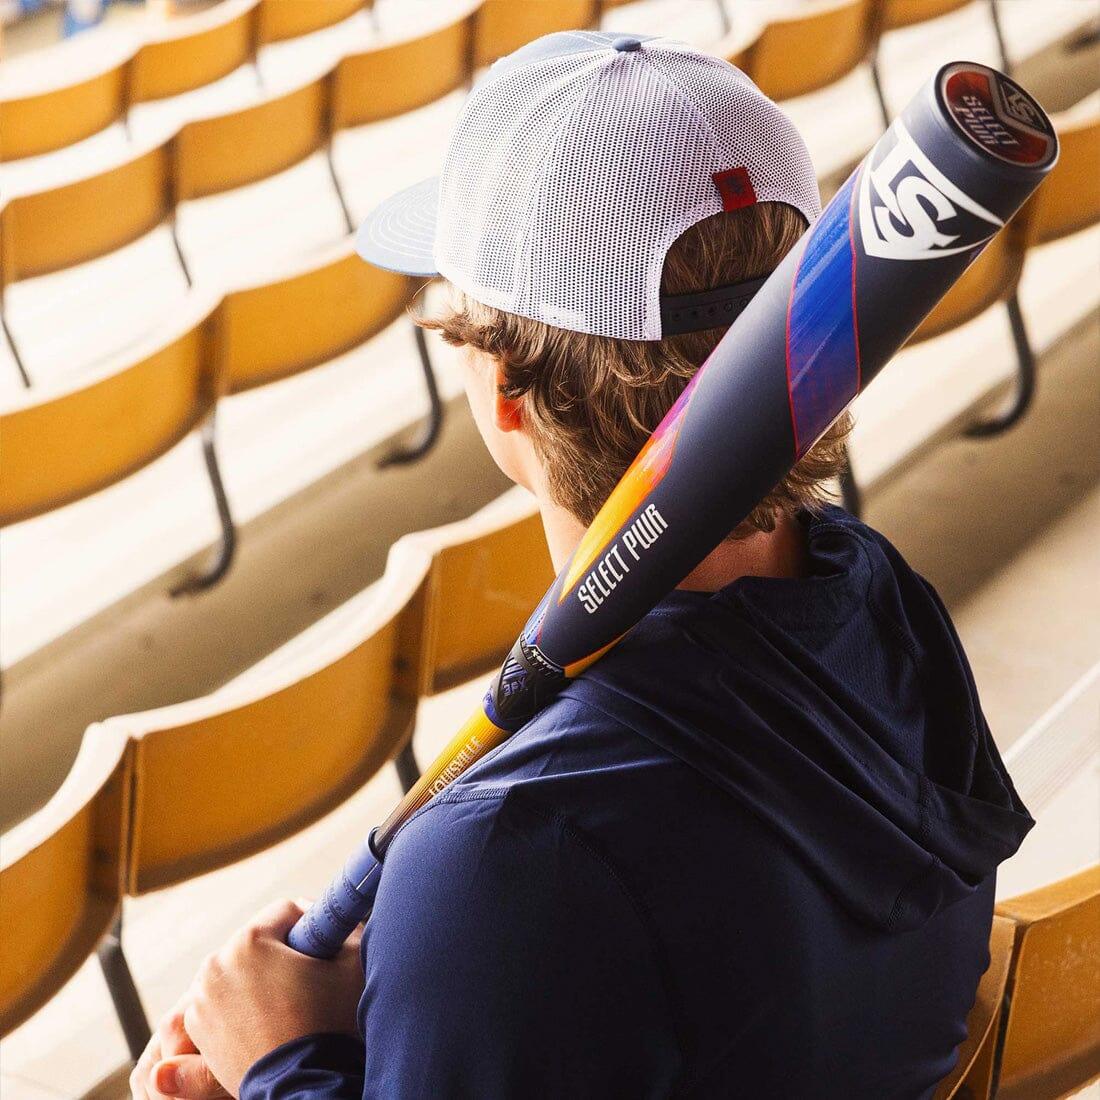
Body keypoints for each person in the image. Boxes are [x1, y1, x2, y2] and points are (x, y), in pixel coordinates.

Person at [131, 30, 1033, 1100]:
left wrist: (283, 1067)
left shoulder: (505, 856)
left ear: (505, 381)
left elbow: (572, 881)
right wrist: (431, 980)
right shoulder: (883, 599)